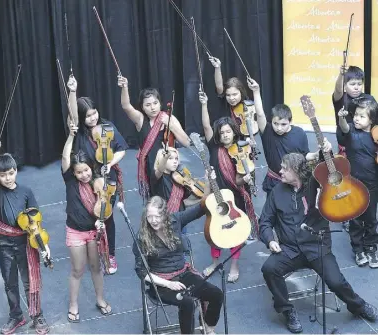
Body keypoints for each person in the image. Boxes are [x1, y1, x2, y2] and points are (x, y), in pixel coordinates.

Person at [259, 153, 377, 333]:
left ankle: (357, 306)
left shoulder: (317, 186)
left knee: (336, 282)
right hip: (290, 250)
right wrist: (270, 240)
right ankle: (287, 310)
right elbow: (265, 222)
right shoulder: (276, 192)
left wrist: (325, 151)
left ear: (297, 171)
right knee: (269, 269)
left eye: (284, 168)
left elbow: (329, 166)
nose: (280, 171)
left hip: (317, 246)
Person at [133, 195, 223, 334]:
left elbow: (200, 209)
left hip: (183, 273)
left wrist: (211, 198)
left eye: (157, 216)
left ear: (165, 214)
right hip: (160, 283)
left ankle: (208, 326)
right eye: (150, 217)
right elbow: (141, 271)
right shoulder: (142, 237)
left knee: (216, 294)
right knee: (187, 302)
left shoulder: (175, 220)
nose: (153, 221)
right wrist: (168, 284)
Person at [66, 75, 128, 274]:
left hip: (106, 178)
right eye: (88, 116)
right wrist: (72, 91)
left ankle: (110, 254)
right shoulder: (80, 132)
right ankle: (92, 249)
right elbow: (72, 115)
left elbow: (121, 150)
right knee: (88, 214)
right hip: (85, 177)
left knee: (106, 216)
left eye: (94, 114)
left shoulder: (107, 127)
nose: (92, 118)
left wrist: (110, 163)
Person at [0, 138, 50, 334]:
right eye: (3, 174)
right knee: (9, 282)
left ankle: (37, 315)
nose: (7, 177)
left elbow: (36, 222)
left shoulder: (26, 192)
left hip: (25, 242)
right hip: (3, 243)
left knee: (29, 280)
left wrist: (43, 246)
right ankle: (16, 315)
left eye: (11, 173)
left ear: (16, 170)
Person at [199, 91, 257, 283]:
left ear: (234, 131)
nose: (224, 135)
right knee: (214, 230)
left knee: (236, 232)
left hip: (236, 196)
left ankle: (234, 265)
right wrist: (204, 104)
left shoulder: (241, 149)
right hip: (217, 197)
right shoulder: (214, 148)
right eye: (222, 132)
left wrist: (246, 178)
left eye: (228, 131)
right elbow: (206, 126)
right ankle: (215, 262)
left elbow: (240, 178)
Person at [62, 123, 112, 323]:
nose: (84, 174)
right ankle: (73, 304)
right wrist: (70, 137)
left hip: (94, 231)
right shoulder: (70, 182)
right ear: (73, 173)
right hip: (75, 231)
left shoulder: (99, 183)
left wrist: (102, 221)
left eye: (86, 170)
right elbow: (66, 158)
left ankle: (100, 299)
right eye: (79, 172)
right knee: (77, 270)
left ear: (92, 167)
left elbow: (105, 207)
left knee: (96, 267)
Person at [246, 78, 331, 197]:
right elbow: (260, 113)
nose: (279, 128)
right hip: (274, 181)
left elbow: (304, 155)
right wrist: (256, 91)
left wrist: (317, 154)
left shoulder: (299, 133)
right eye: (276, 124)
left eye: (283, 124)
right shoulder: (268, 131)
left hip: (294, 181)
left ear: (290, 122)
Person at [117, 75, 191, 199]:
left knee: (172, 200)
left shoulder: (169, 118)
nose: (153, 107)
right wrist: (124, 87)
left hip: (170, 168)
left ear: (160, 103)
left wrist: (171, 125)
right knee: (156, 201)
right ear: (142, 107)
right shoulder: (140, 120)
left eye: (155, 103)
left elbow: (186, 142)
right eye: (148, 105)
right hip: (151, 169)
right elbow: (126, 106)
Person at [337, 94, 378, 268]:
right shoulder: (351, 130)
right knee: (355, 218)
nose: (357, 119)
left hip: (372, 184)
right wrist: (342, 118)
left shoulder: (375, 135)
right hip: (354, 183)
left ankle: (371, 246)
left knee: (370, 218)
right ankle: (358, 249)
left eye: (362, 116)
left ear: (372, 120)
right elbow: (344, 128)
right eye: (356, 115)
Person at [332, 65, 365, 155]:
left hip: (364, 148)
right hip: (345, 149)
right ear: (345, 85)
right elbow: (338, 90)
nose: (356, 87)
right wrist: (341, 75)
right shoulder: (341, 98)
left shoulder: (368, 99)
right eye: (352, 84)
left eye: (359, 84)